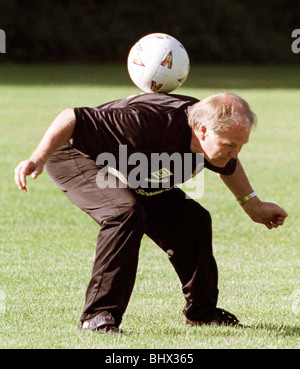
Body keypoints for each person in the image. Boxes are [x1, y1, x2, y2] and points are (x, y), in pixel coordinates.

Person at [14, 92, 288, 333]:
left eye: (241, 145)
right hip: (74, 154)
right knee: (124, 213)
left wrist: (253, 205)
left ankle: (203, 315)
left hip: (132, 168)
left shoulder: (212, 135)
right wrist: (37, 157)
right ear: (203, 130)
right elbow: (71, 117)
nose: (235, 152)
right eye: (230, 145)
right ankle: (97, 317)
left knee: (193, 220)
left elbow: (229, 164)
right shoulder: (153, 121)